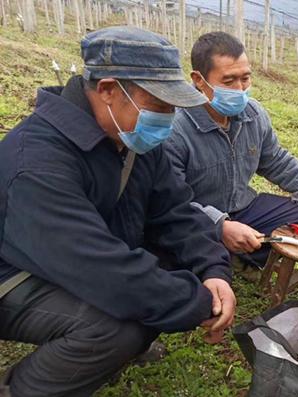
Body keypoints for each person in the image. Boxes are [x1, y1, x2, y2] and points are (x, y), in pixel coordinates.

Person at [0, 27, 235, 397]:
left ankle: (121, 350)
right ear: (108, 89)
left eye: (173, 107)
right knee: (116, 326)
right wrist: (198, 303)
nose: (168, 118)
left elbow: (176, 211)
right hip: (15, 274)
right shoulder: (38, 162)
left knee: (163, 280)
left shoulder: (131, 140)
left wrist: (213, 270)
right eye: (159, 105)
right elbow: (99, 269)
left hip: (84, 258)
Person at [166, 32, 298, 269]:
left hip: (244, 208)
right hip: (197, 218)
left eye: (245, 78)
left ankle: (241, 255)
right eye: (229, 81)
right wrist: (219, 225)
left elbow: (275, 159)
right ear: (199, 80)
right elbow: (172, 200)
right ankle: (225, 253)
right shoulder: (176, 129)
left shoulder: (253, 114)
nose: (240, 89)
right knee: (177, 247)